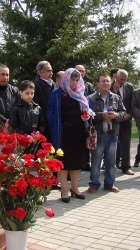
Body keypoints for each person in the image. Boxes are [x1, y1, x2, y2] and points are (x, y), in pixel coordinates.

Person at [47, 68, 95, 203]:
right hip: (62, 133)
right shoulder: (57, 94)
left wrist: (87, 117)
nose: (74, 83)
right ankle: (64, 190)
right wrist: (54, 127)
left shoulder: (81, 93)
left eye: (76, 80)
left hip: (78, 132)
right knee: (63, 163)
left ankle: (75, 188)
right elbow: (50, 112)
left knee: (76, 162)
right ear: (66, 79)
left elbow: (89, 110)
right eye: (72, 80)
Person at [87, 74, 126, 193]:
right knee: (95, 162)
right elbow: (88, 115)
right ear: (98, 83)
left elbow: (123, 113)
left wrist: (116, 115)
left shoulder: (116, 98)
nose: (106, 83)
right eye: (103, 81)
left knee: (111, 162)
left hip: (112, 134)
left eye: (108, 81)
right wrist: (101, 115)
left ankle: (109, 184)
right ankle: (94, 184)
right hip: (98, 135)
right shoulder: (90, 98)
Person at [111, 69, 134, 175]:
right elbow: (109, 102)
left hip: (126, 120)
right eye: (121, 79)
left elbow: (133, 103)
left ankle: (126, 167)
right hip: (114, 120)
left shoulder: (130, 87)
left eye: (125, 80)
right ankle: (111, 166)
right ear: (116, 77)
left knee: (126, 144)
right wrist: (115, 90)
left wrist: (129, 114)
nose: (123, 81)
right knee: (112, 144)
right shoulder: (110, 86)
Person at [34, 61, 54, 140]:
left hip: (52, 121)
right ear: (40, 73)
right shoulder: (36, 85)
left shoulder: (53, 84)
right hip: (42, 123)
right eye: (48, 71)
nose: (51, 73)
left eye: (51, 71)